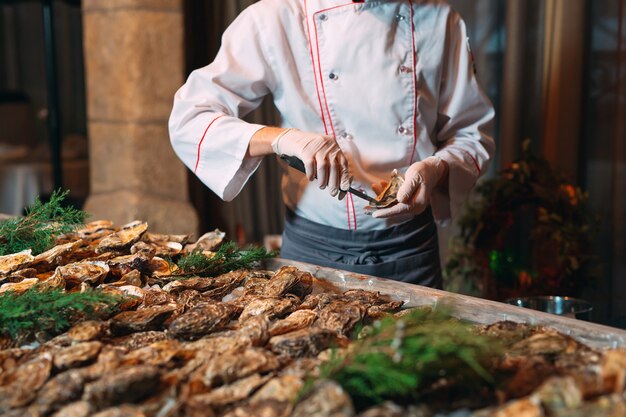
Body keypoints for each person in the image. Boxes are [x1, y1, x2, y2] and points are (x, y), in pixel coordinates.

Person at [169, 0, 495, 288]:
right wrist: (281, 139)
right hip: (314, 250)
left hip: (410, 250)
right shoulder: (276, 17)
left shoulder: (440, 18)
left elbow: (471, 134)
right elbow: (190, 119)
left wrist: (435, 169)